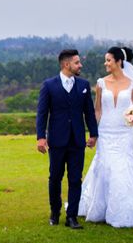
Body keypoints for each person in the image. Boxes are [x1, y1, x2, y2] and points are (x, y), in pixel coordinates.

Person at [78, 46, 133, 228]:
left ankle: (123, 211)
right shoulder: (101, 83)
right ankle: (102, 209)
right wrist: (93, 132)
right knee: (105, 168)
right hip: (105, 131)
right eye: (105, 60)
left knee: (122, 170)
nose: (105, 63)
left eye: (108, 60)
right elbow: (98, 110)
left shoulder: (132, 84)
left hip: (124, 133)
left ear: (119, 62)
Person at [36, 49, 99, 229]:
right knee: (55, 178)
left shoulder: (84, 85)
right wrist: (41, 137)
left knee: (75, 179)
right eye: (77, 62)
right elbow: (42, 113)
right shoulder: (49, 85)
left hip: (77, 141)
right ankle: (55, 212)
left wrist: (93, 134)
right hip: (56, 140)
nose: (80, 65)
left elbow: (89, 113)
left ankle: (72, 216)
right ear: (66, 64)